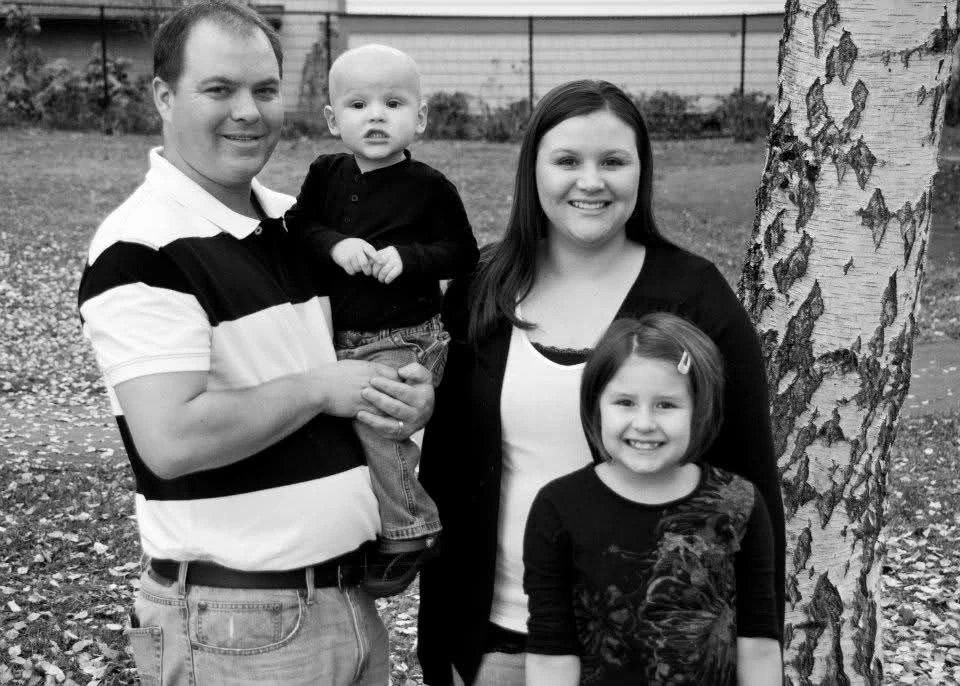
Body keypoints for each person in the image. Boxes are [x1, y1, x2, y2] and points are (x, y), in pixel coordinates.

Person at [77, 3, 434, 684]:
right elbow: (172, 439)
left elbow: (347, 365)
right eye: (219, 89)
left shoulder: (297, 224)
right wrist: (319, 389)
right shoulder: (141, 246)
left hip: (345, 603)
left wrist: (401, 395)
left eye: (265, 90)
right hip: (234, 624)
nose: (248, 111)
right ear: (163, 97)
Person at [417, 80, 785, 686]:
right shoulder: (483, 286)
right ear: (532, 170)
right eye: (567, 161)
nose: (590, 182)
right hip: (500, 642)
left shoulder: (697, 299)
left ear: (642, 171)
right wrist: (446, 647)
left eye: (613, 161)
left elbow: (752, 491)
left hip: (659, 654)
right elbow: (447, 471)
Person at [283, 43, 479, 597]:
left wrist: (410, 258)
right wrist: (335, 243)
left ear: (420, 118)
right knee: (337, 432)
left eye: (393, 104)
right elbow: (298, 227)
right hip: (340, 336)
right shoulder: (326, 174)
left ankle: (411, 528)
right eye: (358, 104)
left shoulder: (430, 187)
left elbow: (462, 253)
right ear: (333, 120)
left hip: (408, 336)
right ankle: (366, 525)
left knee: (378, 418)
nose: (375, 116)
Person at [523, 314, 781, 686]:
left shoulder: (739, 505)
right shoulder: (558, 508)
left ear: (699, 409)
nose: (644, 423)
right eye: (625, 402)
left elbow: (758, 647)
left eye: (666, 405)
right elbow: (552, 658)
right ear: (597, 404)